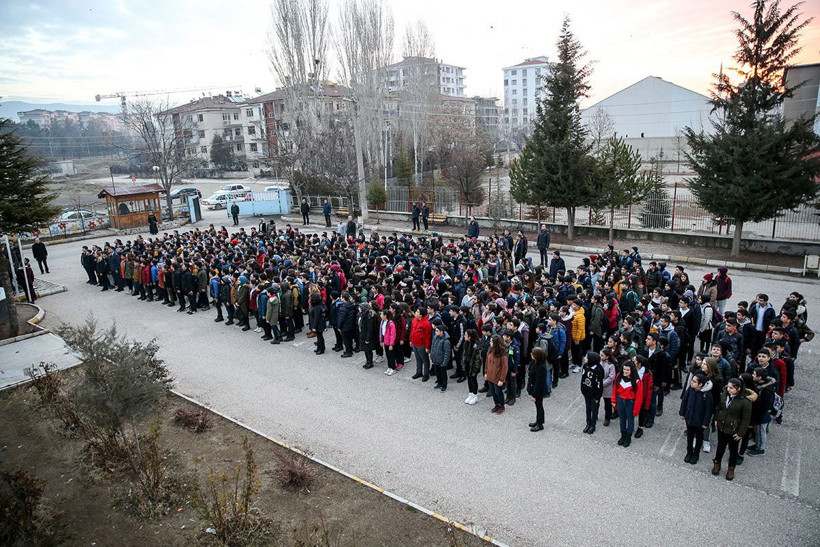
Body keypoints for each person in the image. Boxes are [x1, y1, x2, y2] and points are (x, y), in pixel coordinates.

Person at [712, 378, 752, 481]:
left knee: (733, 450)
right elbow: (719, 407)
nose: (728, 389)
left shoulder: (745, 402)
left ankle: (731, 468)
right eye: (728, 387)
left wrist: (740, 433)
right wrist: (716, 419)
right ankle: (717, 463)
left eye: (731, 388)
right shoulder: (725, 394)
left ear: (738, 389)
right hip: (722, 426)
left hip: (734, 430)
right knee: (720, 446)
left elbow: (745, 420)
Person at [679, 372, 714, 464]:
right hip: (689, 418)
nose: (691, 382)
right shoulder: (691, 389)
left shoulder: (707, 395)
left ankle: (696, 454)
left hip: (699, 421)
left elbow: (708, 410)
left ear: (700, 384)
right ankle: (689, 452)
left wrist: (705, 423)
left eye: (694, 381)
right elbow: (685, 400)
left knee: (699, 438)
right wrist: (682, 412)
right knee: (689, 436)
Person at [612, 360, 643, 447]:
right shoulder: (619, 376)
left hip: (630, 403)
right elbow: (615, 389)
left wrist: (636, 410)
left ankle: (628, 437)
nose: (625, 371)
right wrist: (614, 400)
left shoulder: (637, 381)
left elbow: (639, 397)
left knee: (630, 420)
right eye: (624, 369)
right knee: (622, 420)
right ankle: (623, 435)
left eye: (627, 370)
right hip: (620, 400)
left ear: (632, 370)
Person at [580, 351, 604, 434]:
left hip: (594, 394)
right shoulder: (585, 366)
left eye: (586, 357)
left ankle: (593, 425)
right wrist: (582, 390)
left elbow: (599, 385)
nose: (585, 358)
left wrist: (597, 397)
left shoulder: (598, 370)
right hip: (587, 392)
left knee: (594, 410)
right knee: (588, 408)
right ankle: (588, 423)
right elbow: (583, 379)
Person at [485, 335, 509, 414]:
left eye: (492, 342)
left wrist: (502, 379)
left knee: (498, 392)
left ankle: (501, 406)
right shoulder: (490, 350)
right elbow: (487, 363)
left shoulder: (502, 354)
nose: (490, 343)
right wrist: (486, 373)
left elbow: (505, 368)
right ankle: (496, 404)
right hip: (490, 375)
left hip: (497, 377)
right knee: (493, 392)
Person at [527, 347, 549, 431]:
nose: (531, 355)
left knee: (539, 406)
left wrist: (534, 395)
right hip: (534, 388)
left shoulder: (541, 367)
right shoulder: (535, 363)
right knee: (538, 406)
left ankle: (540, 424)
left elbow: (539, 383)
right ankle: (538, 420)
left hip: (539, 391)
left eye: (533, 354)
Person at [410, 306, 432, 381]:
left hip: (421, 345)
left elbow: (428, 336)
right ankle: (419, 372)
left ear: (421, 315)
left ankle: (426, 374)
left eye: (417, 312)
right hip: (414, 343)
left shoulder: (426, 323)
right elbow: (412, 331)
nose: (416, 313)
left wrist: (427, 347)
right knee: (418, 359)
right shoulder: (414, 320)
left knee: (425, 360)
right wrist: (411, 340)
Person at [463, 329, 482, 405]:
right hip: (467, 363)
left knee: (473, 379)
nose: (464, 336)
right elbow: (464, 354)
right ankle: (470, 393)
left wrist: (476, 369)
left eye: (466, 335)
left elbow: (477, 360)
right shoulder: (466, 343)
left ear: (470, 337)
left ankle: (475, 395)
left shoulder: (476, 346)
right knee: (469, 379)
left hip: (473, 366)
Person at [430, 322, 451, 391]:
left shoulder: (446, 341)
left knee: (443, 374)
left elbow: (447, 353)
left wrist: (445, 363)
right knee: (437, 373)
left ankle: (444, 385)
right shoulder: (435, 337)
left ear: (441, 332)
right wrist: (432, 356)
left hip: (442, 361)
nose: (435, 332)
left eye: (437, 331)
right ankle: (439, 383)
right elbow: (433, 346)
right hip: (435, 359)